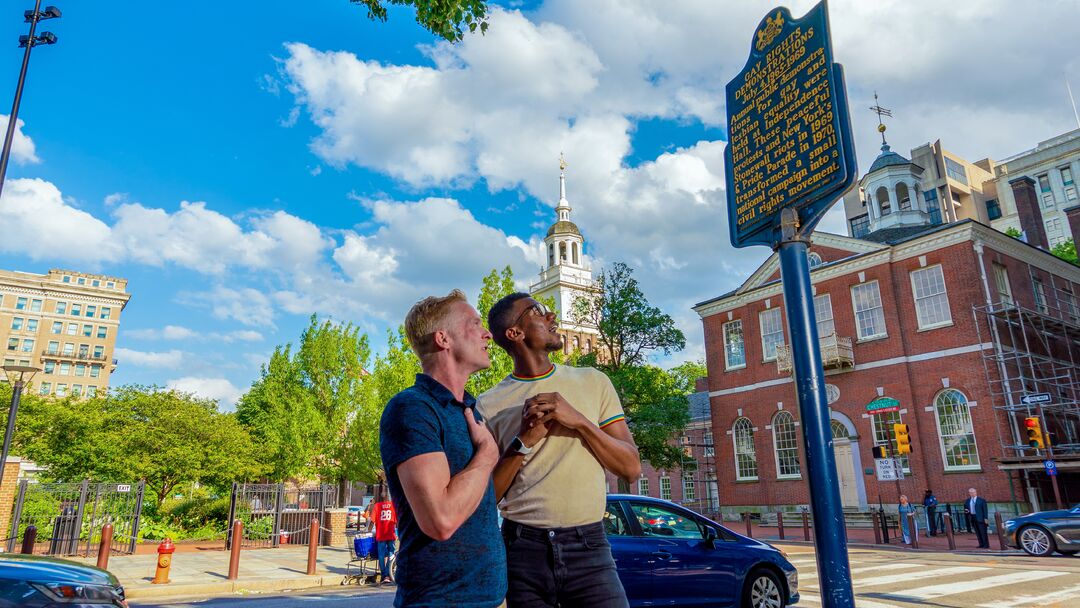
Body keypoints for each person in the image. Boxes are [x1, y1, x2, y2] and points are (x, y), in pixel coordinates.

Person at [478, 294, 642, 608]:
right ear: (515, 333)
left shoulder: (594, 382)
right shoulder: (488, 404)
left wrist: (579, 421)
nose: (551, 315)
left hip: (589, 547)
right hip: (521, 551)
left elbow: (631, 468)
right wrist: (523, 441)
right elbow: (487, 497)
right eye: (538, 311)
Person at [379, 290, 506, 607]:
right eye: (474, 323)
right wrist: (487, 457)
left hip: (491, 599)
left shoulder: (469, 412)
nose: (487, 333)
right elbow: (441, 521)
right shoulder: (412, 408)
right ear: (443, 339)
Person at [368, 484, 398, 584]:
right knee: (391, 554)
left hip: (380, 535)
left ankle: (384, 575)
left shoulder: (377, 506)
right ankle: (389, 574)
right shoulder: (394, 506)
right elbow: (397, 521)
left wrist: (368, 532)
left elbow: (372, 521)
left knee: (381, 555)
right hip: (390, 534)